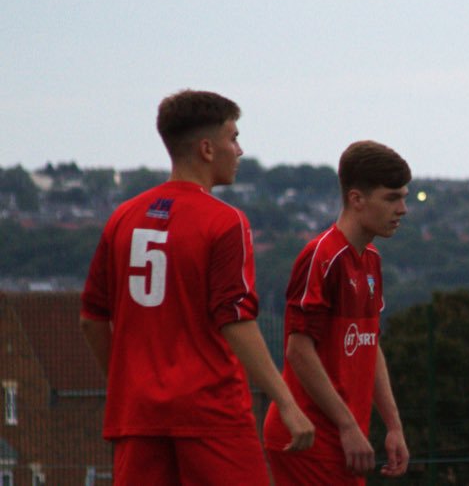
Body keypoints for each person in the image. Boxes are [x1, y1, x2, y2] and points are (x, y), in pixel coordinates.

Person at [80, 89, 314, 485]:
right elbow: (236, 321)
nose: (239, 150)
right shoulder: (225, 221)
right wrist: (286, 402)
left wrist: (130, 387)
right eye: (233, 138)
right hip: (211, 414)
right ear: (207, 148)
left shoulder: (123, 217)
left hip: (137, 416)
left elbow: (91, 320)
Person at [263, 140, 412, 485]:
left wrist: (393, 426)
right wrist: (347, 426)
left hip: (345, 437)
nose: (403, 208)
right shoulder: (322, 256)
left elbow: (370, 345)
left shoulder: (372, 260)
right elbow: (298, 351)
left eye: (404, 196)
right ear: (357, 199)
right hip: (309, 436)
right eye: (392, 198)